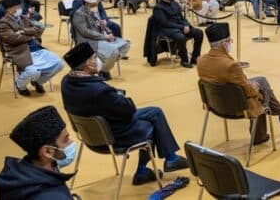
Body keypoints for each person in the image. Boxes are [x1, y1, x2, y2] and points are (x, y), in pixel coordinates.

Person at [60, 43, 189, 186]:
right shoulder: (99, 90)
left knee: (154, 112)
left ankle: (170, 159)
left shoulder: (66, 82)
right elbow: (128, 111)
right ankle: (149, 168)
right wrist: (118, 96)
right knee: (152, 121)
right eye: (95, 57)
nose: (98, 60)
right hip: (113, 135)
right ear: (88, 64)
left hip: (88, 133)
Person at [197, 23, 280, 143]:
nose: (230, 44)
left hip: (214, 103)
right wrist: (254, 88)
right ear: (224, 44)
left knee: (261, 80)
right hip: (235, 106)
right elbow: (248, 91)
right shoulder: (230, 65)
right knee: (261, 92)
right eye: (229, 41)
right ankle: (261, 132)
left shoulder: (201, 61)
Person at [0, 106, 77, 200]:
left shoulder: (18, 173)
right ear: (47, 151)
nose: (71, 143)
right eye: (66, 140)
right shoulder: (54, 196)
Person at [0, 0, 65, 97]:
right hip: (20, 52)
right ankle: (20, 86)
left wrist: (24, 31)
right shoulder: (3, 23)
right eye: (18, 6)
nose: (20, 8)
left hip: (36, 48)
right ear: (10, 9)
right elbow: (14, 39)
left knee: (59, 64)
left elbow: (39, 29)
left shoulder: (23, 18)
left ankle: (38, 82)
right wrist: (30, 36)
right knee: (33, 71)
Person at [70, 0, 127, 80]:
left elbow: (101, 23)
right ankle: (102, 70)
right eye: (93, 5)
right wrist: (104, 37)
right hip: (88, 41)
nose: (96, 6)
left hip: (101, 38)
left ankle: (102, 65)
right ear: (87, 4)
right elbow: (86, 32)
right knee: (113, 51)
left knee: (125, 45)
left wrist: (109, 32)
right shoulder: (79, 14)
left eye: (96, 4)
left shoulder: (93, 11)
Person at [152, 0, 203, 68]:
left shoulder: (175, 4)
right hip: (168, 30)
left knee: (199, 33)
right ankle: (184, 60)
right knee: (181, 37)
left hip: (180, 26)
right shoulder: (158, 8)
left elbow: (182, 18)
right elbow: (165, 23)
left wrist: (186, 25)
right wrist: (182, 27)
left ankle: (195, 57)